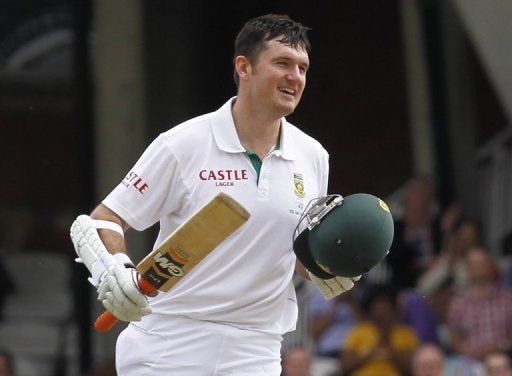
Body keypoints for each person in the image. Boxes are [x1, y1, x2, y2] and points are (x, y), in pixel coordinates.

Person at [70, 14, 359, 375]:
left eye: (302, 68)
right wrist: (117, 272)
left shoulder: (312, 156)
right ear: (244, 67)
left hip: (256, 349)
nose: (295, 77)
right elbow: (102, 221)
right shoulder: (184, 144)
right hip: (170, 345)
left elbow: (292, 253)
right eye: (282, 64)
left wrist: (332, 263)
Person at [446, 246, 512, 361]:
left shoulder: (507, 299)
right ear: (467, 269)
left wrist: (500, 347)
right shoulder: (458, 303)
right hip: (470, 362)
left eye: (482, 263)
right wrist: (465, 350)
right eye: (474, 264)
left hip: (502, 360)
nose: (478, 267)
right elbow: (453, 338)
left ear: (490, 267)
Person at [340, 284, 419, 376]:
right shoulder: (360, 330)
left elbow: (412, 369)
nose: (381, 315)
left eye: (385, 310)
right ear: (371, 310)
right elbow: (344, 367)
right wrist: (369, 354)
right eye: (378, 310)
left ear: (393, 310)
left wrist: (390, 349)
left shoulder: (406, 333)